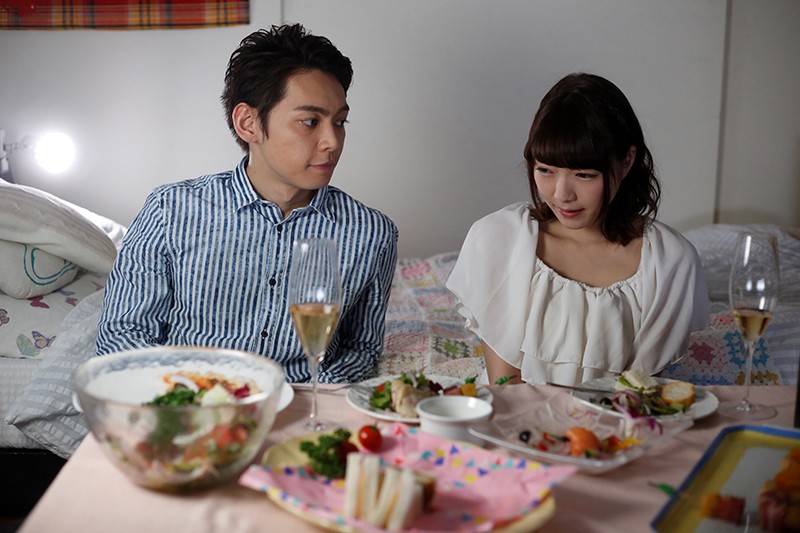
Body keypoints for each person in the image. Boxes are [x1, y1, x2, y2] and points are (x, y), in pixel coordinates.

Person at [97, 24, 398, 383]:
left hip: (302, 407)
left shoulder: (372, 233)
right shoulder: (170, 211)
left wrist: (306, 401)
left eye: (340, 122)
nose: (332, 141)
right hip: (187, 402)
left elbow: (360, 349)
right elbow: (124, 334)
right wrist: (183, 398)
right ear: (248, 123)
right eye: (310, 121)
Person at [446, 73, 709, 387]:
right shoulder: (500, 239)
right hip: (511, 415)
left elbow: (635, 394)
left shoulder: (669, 261)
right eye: (545, 170)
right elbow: (506, 387)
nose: (562, 194)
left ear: (627, 161)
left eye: (584, 175)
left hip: (613, 418)